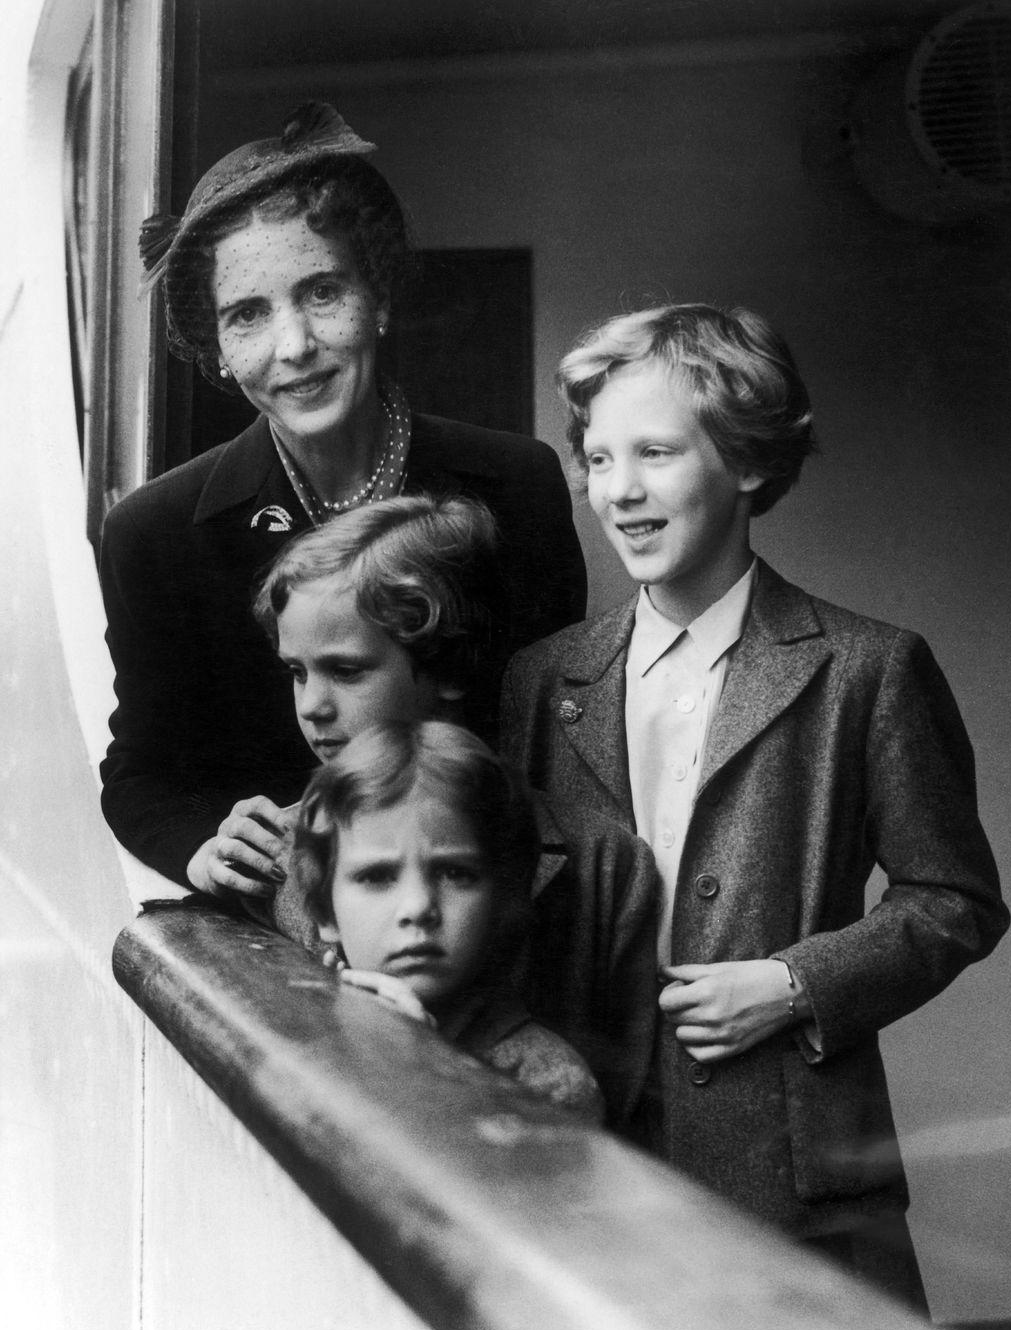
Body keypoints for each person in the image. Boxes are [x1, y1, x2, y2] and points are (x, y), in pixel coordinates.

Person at [499, 302, 1009, 1307]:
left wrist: (792, 983)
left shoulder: (869, 669)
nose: (621, 492)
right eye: (598, 459)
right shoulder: (544, 678)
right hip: (588, 1151)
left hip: (793, 1166)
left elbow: (954, 900)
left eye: (654, 452)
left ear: (744, 464)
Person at [99, 101, 586, 891]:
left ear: (381, 296)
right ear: (216, 349)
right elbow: (139, 775)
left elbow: (561, 744)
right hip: (275, 934)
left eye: (322, 292)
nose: (294, 346)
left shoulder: (516, 486)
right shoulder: (154, 533)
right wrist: (203, 845)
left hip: (485, 911)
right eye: (248, 314)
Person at [244, 493, 658, 1128]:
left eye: (346, 671)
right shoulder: (287, 840)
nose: (312, 706)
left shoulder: (602, 862)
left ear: (448, 665)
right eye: (298, 673)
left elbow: (622, 1095)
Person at [291, 719, 605, 1120]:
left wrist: (424, 1066)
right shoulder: (303, 1037)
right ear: (324, 911)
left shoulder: (549, 1083)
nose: (419, 906)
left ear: (503, 899)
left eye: (455, 873)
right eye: (376, 876)